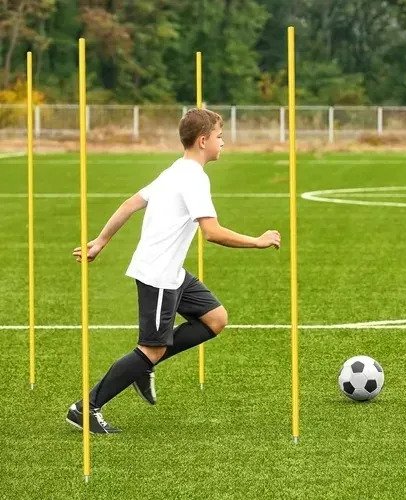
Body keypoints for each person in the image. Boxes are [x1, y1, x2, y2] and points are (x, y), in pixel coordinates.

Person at [66, 108, 281, 434]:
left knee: (215, 319)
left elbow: (130, 203)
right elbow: (212, 232)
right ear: (203, 140)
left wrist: (101, 241)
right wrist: (258, 241)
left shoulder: (176, 170)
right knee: (150, 348)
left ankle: (144, 365)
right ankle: (86, 407)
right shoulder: (193, 178)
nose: (223, 142)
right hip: (159, 276)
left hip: (173, 273)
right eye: (220, 136)